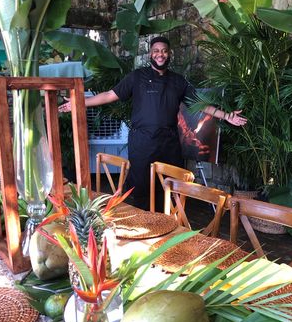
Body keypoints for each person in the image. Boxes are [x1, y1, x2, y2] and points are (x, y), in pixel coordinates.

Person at [59, 36, 247, 210]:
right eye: (156, 50)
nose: (160, 54)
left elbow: (200, 105)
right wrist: (78, 102)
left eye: (164, 50)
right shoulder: (137, 77)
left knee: (171, 186)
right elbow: (109, 95)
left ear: (169, 54)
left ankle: (170, 222)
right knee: (141, 186)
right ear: (151, 54)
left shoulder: (178, 81)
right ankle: (144, 225)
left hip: (169, 142)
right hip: (142, 141)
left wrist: (227, 116)